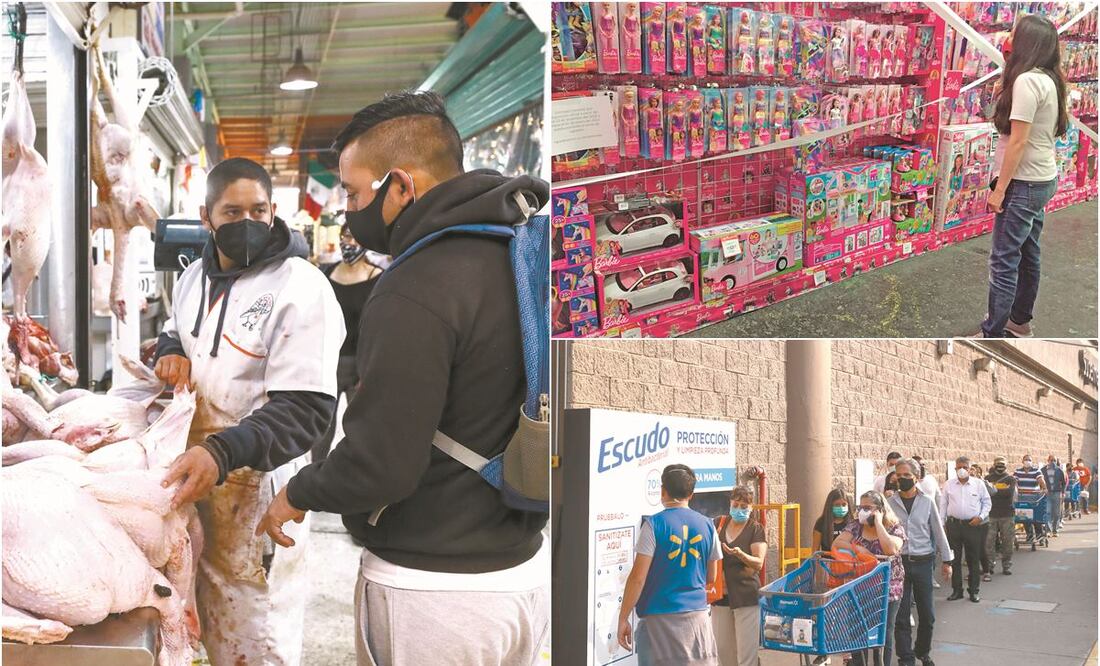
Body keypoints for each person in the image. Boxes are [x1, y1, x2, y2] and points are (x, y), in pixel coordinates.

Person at [254, 91, 550, 665]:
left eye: (354, 191)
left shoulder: (416, 285)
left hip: (434, 593)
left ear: (402, 186)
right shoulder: (521, 252)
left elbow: (380, 462)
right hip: (520, 576)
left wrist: (297, 492)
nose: (349, 208)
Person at [153, 157, 345, 664]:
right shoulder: (193, 277)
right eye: (232, 211)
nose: (247, 223)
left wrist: (222, 451)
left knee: (258, 640)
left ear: (274, 210)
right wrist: (167, 349)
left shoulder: (300, 287)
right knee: (207, 626)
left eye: (258, 210)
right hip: (200, 481)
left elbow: (306, 412)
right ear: (206, 217)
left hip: (256, 491)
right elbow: (180, 329)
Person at [981, 14, 1070, 337]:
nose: (1007, 37)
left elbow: (1017, 141)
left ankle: (994, 331)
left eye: (1014, 34)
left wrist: (1000, 189)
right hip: (1042, 178)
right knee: (1028, 252)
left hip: (1023, 183)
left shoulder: (1028, 81)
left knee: (1004, 260)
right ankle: (1020, 321)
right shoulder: (1047, 78)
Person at [617, 465, 722, 666]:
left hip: (658, 623)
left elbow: (638, 578)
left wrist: (623, 618)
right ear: (691, 494)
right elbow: (711, 576)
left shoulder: (654, 525)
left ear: (663, 490)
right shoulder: (708, 525)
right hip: (697, 622)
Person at [311, 223, 387, 461]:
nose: (349, 243)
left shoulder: (379, 278)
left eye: (355, 238)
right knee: (322, 430)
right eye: (345, 236)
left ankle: (355, 483)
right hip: (329, 363)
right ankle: (315, 482)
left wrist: (371, 370)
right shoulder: (325, 273)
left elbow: (379, 329)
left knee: (360, 431)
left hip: (361, 365)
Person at [890, 458, 953, 666]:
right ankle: (906, 658)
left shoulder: (927, 501)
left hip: (924, 563)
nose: (902, 479)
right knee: (901, 615)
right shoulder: (889, 504)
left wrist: (947, 560)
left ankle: (922, 651)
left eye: (907, 475)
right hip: (899, 564)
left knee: (927, 615)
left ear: (916, 478)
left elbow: (938, 530)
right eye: (899, 475)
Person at [833, 490, 905, 666]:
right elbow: (837, 543)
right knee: (858, 633)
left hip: (887, 589)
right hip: (859, 587)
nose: (862, 511)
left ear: (880, 509)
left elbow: (890, 549)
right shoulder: (856, 526)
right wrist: (859, 550)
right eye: (860, 507)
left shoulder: (894, 527)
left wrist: (879, 524)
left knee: (884, 634)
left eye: (867, 508)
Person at [711, 486, 767, 666]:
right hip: (720, 596)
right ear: (730, 503)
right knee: (723, 652)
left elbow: (759, 562)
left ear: (751, 508)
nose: (739, 509)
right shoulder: (718, 523)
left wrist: (740, 554)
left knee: (746, 654)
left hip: (746, 597)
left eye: (744, 506)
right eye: (736, 504)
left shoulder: (755, 528)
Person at [940, 456, 991, 602]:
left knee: (973, 559)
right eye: (958, 467)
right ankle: (957, 590)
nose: (961, 470)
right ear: (955, 469)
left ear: (970, 469)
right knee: (954, 559)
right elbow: (943, 505)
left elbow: (987, 503)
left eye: (965, 467)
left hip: (973, 525)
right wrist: (942, 524)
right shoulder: (949, 484)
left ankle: (974, 591)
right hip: (954, 525)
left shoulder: (978, 484)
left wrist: (981, 517)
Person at [984, 456, 1018, 575]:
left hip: (1007, 515)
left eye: (1002, 464)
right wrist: (1000, 491)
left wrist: (994, 491)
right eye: (998, 464)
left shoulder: (1011, 479)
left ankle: (1006, 565)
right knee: (989, 543)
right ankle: (989, 565)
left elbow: (1009, 494)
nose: (1000, 466)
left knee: (1008, 542)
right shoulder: (987, 478)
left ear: (1006, 465)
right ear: (994, 464)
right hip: (991, 515)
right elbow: (986, 494)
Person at [1014, 454, 1047, 542]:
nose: (1027, 461)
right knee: (1024, 517)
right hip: (1022, 498)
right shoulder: (1018, 471)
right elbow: (1014, 481)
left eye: (1029, 460)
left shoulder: (1036, 471)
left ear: (1031, 462)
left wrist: (1044, 487)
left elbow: (1040, 480)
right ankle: (1029, 535)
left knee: (1036, 518)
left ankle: (1039, 535)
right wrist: (1015, 488)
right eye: (1025, 459)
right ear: (1022, 461)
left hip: (1034, 498)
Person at [971, 464, 995, 581]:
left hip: (982, 522)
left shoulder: (982, 483)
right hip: (968, 522)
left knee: (981, 548)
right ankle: (973, 572)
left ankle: (986, 571)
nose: (970, 472)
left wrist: (982, 481)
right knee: (971, 549)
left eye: (973, 471)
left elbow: (993, 491)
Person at [812, 488, 852, 553]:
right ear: (830, 505)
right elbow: (815, 551)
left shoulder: (852, 524)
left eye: (844, 504)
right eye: (837, 505)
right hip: (827, 561)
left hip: (847, 561)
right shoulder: (821, 523)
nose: (841, 507)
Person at [1042, 454, 1067, 534]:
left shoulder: (1059, 471)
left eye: (1054, 460)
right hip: (1047, 493)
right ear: (1048, 460)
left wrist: (1063, 492)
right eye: (1051, 460)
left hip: (1057, 493)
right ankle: (1048, 530)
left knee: (1056, 513)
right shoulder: (1043, 470)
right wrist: (1042, 489)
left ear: (1056, 461)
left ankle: (1055, 530)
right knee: (1048, 511)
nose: (1052, 462)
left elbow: (1064, 483)